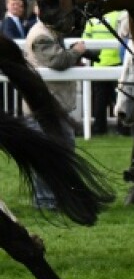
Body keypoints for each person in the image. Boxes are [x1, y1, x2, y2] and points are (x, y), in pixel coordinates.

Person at [24, 11, 90, 210]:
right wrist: (77, 52)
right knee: (47, 156)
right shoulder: (40, 35)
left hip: (52, 107)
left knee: (62, 153)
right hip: (44, 109)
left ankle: (57, 198)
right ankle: (46, 201)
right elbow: (57, 62)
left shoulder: (48, 33)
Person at [81, 10, 125, 135]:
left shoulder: (92, 18)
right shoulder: (119, 15)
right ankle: (123, 129)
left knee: (100, 100)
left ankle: (99, 128)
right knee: (119, 99)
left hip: (98, 64)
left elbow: (85, 39)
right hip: (116, 63)